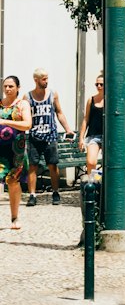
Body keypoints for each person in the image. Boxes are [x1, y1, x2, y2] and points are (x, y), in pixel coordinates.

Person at [25, 68, 74, 206]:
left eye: (47, 78)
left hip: (50, 135)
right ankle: (32, 195)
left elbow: (59, 112)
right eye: (43, 79)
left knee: (53, 165)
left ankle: (55, 192)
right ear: (36, 80)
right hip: (34, 135)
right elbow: (24, 115)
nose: (46, 81)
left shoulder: (52, 94)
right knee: (33, 166)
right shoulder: (28, 97)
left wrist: (68, 129)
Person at [0, 75, 31, 230]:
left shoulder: (22, 104)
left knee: (13, 183)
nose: (7, 89)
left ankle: (14, 217)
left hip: (15, 151)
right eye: (5, 86)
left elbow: (27, 124)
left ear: (18, 88)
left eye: (11, 86)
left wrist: (5, 121)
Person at [79, 71, 105, 180]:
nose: (98, 86)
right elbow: (86, 119)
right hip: (93, 135)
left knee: (110, 163)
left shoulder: (111, 100)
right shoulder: (91, 99)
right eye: (97, 84)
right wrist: (81, 138)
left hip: (107, 136)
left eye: (101, 84)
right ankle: (93, 182)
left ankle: (101, 181)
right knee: (91, 162)